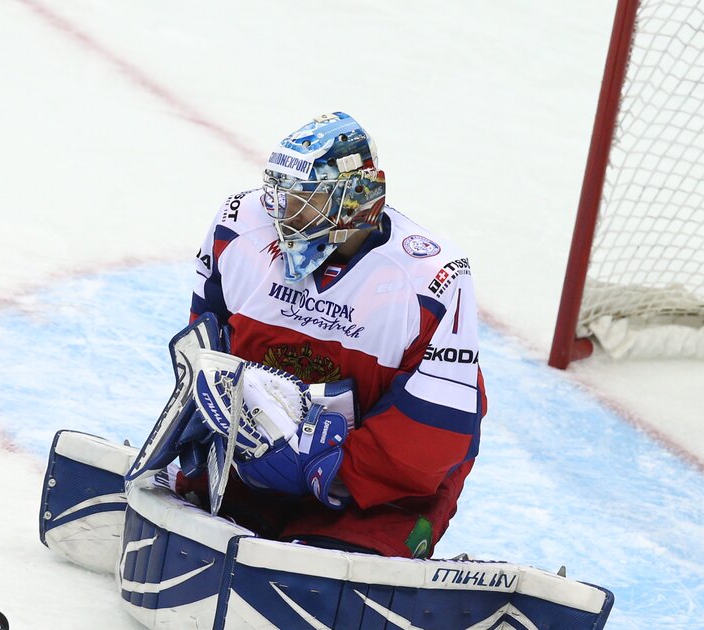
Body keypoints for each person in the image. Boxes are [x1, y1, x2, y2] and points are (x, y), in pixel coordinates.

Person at [181, 112, 487, 559]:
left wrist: (322, 465)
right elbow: (203, 350)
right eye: (281, 194)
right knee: (200, 526)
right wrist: (212, 426)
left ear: (359, 198)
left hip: (380, 491)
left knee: (323, 565)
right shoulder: (238, 227)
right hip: (251, 459)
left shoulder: (432, 280)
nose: (283, 212)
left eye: (307, 200)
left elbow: (437, 432)